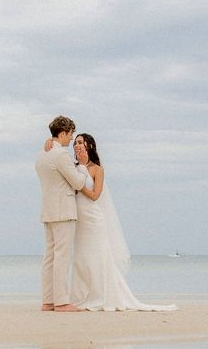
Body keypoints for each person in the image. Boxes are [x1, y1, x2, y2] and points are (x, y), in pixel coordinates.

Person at [69, 133, 177, 312]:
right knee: (82, 259)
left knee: (98, 257)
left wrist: (81, 182)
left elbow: (95, 195)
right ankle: (80, 296)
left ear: (90, 146)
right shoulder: (72, 167)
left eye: (80, 142)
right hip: (79, 221)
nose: (77, 145)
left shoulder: (97, 169)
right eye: (75, 143)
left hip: (93, 220)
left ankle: (102, 296)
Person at [35, 116, 88, 312]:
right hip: (63, 210)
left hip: (48, 210)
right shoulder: (61, 154)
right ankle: (62, 302)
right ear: (63, 133)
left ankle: (48, 301)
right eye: (71, 133)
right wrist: (83, 166)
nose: (72, 138)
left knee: (49, 257)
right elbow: (78, 182)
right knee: (62, 257)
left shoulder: (41, 154)